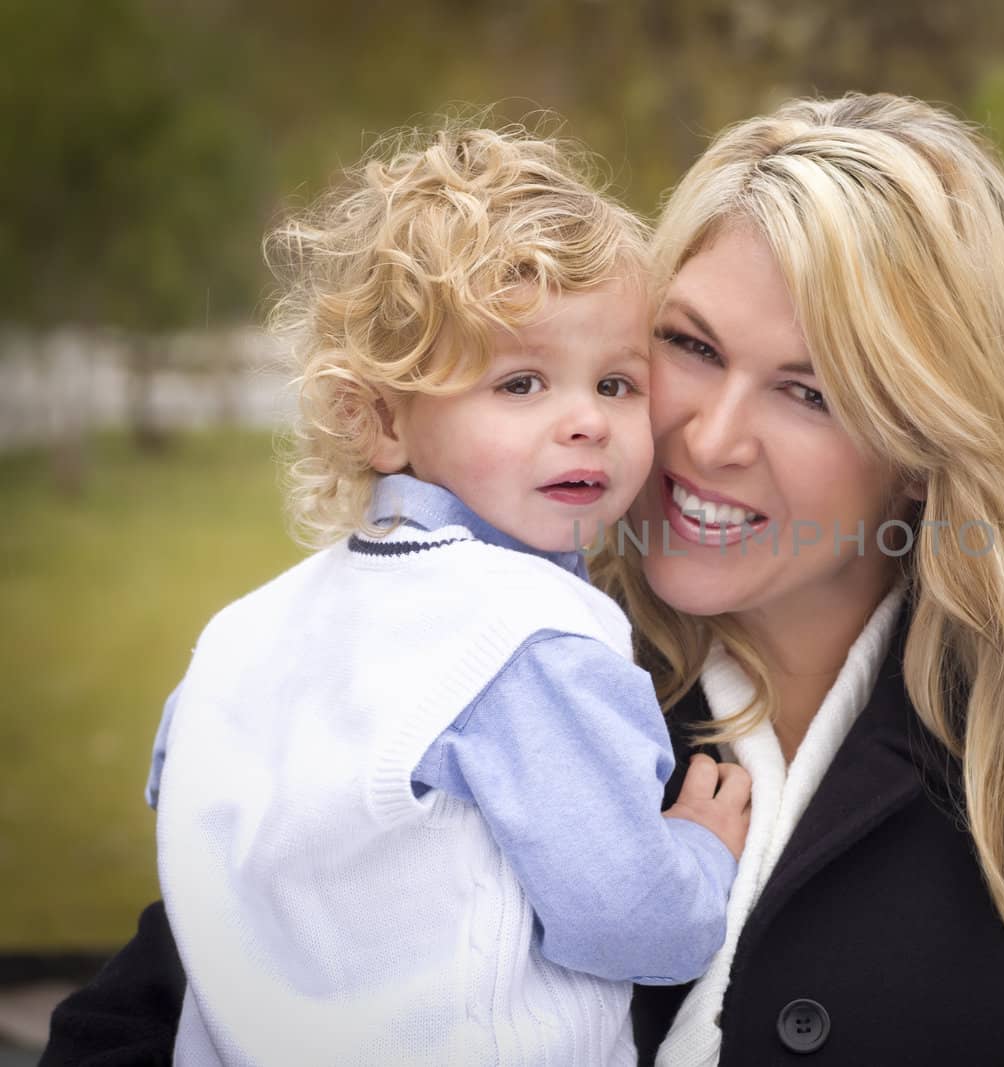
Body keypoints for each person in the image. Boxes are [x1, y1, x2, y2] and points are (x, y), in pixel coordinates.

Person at [47, 94, 1004, 1066]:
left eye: (810, 390)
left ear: (926, 452)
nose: (706, 438)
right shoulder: (484, 662)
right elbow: (150, 1011)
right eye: (689, 349)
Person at [141, 126, 750, 1065]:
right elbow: (634, 923)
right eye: (521, 382)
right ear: (382, 417)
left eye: (618, 381)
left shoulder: (246, 632)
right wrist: (700, 850)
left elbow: (188, 802)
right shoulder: (528, 640)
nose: (586, 419)